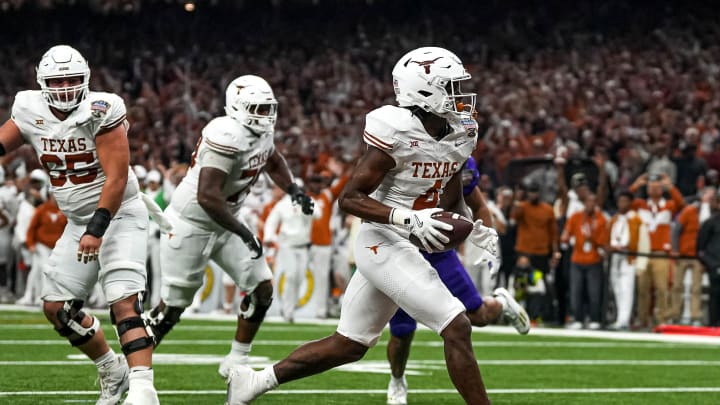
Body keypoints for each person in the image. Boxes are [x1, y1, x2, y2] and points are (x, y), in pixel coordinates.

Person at [226, 46, 527, 405]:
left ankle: (253, 383)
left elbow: (447, 184)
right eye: (452, 87)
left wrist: (470, 224)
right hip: (381, 238)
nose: (462, 95)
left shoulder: (462, 132)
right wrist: (407, 218)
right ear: (425, 91)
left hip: (411, 238)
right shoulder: (396, 131)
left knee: (349, 344)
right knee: (457, 325)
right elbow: (350, 198)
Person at [0, 45, 158, 404]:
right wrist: (85, 228)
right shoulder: (28, 107)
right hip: (78, 221)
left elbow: (116, 178)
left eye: (73, 79)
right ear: (43, 83)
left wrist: (96, 229)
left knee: (123, 301)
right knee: (57, 309)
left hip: (118, 214)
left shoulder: (101, 109)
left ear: (86, 79)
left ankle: (143, 390)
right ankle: (110, 369)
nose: (67, 86)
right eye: (59, 80)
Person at [146, 75, 314, 380]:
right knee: (171, 309)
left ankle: (237, 360)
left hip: (226, 221)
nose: (265, 115)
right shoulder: (225, 134)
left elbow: (272, 160)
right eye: (257, 108)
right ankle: (132, 370)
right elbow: (207, 196)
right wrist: (245, 232)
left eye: (268, 108)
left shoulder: (261, 133)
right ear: (236, 107)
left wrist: (293, 190)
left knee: (262, 288)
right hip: (192, 223)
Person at [385, 156, 529, 405]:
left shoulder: (456, 157)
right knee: (402, 332)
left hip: (438, 252)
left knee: (477, 316)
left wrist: (488, 241)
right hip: (400, 252)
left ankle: (500, 304)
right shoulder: (398, 150)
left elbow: (478, 203)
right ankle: (397, 380)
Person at [263, 180, 319, 322]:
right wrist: (269, 237)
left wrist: (307, 206)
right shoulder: (282, 204)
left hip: (303, 246)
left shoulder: (308, 201)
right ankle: (287, 311)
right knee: (291, 275)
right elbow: (271, 221)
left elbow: (318, 214)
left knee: (299, 277)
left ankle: (291, 308)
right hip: (287, 245)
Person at [561, 193, 608, 330]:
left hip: (594, 260)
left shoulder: (601, 219)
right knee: (576, 291)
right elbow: (566, 234)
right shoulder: (576, 217)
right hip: (577, 259)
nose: (591, 205)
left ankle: (594, 318)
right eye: (588, 202)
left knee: (594, 292)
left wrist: (592, 236)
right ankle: (577, 318)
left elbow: (603, 241)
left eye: (593, 202)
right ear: (584, 203)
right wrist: (567, 238)